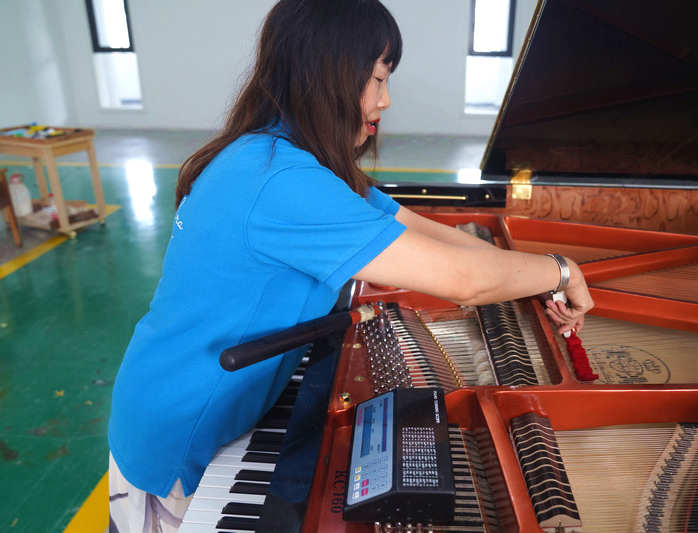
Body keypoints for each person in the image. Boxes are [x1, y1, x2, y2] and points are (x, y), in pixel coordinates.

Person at [107, 0, 594, 531]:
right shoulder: (283, 182)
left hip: (184, 392)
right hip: (178, 431)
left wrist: (527, 272)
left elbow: (425, 231)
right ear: (329, 73)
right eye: (377, 78)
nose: (385, 99)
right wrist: (563, 270)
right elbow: (464, 282)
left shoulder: (283, 155)